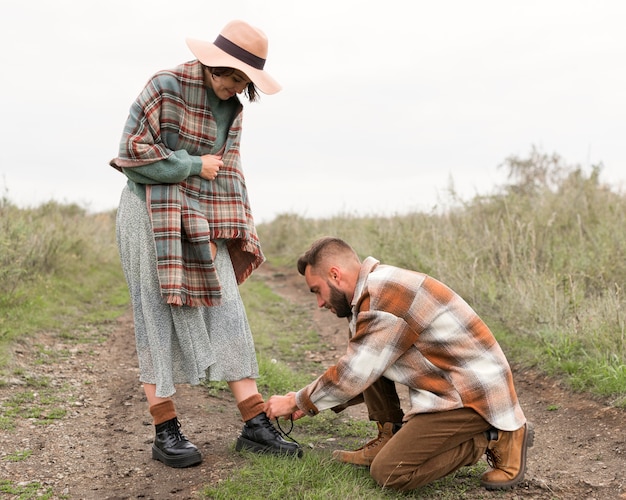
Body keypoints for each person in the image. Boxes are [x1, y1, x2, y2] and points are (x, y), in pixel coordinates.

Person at [110, 20, 301, 468]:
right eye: (228, 74)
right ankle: (165, 429)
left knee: (228, 310)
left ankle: (254, 424)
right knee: (155, 314)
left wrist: (226, 226)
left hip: (202, 219)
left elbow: (228, 172)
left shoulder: (233, 109)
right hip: (147, 213)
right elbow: (131, 154)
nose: (233, 85)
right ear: (210, 62)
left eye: (242, 80)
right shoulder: (165, 85)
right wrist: (193, 164)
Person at [265, 236, 533, 491]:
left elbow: (353, 374)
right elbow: (363, 368)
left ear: (335, 275)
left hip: (471, 395)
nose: (320, 302)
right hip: (450, 385)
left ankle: (492, 437)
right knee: (363, 346)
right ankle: (389, 434)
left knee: (389, 473)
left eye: (317, 291)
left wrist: (297, 402)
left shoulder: (383, 298)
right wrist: (309, 402)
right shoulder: (372, 292)